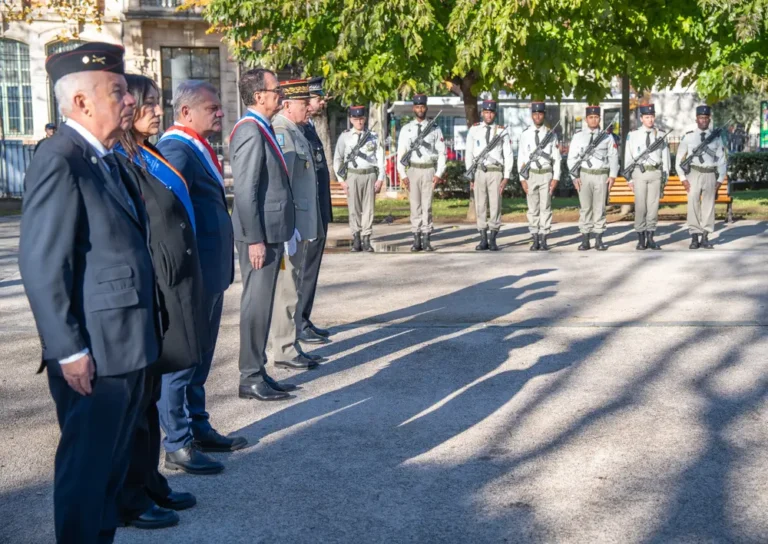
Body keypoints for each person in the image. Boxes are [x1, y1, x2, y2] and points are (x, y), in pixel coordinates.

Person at [19, 42, 157, 544]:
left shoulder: (104, 158)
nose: (129, 100)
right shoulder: (60, 158)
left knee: (110, 476)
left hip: (126, 344)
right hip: (94, 354)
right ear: (81, 102)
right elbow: (42, 263)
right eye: (117, 91)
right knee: (86, 475)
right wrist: (68, 350)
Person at [112, 74, 207, 529]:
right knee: (136, 405)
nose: (155, 111)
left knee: (148, 398)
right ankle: (131, 495)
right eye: (147, 103)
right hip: (148, 292)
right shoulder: (120, 160)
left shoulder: (146, 153)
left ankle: (150, 482)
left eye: (157, 102)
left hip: (167, 287)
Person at [156, 81, 246, 474]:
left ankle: (198, 426)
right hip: (193, 273)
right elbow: (166, 215)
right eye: (212, 108)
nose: (220, 112)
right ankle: (177, 442)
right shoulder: (177, 148)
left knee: (201, 356)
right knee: (183, 360)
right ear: (186, 112)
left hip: (210, 270)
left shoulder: (197, 145)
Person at [230, 68, 297, 401]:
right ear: (259, 96)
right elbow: (245, 191)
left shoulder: (262, 127)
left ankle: (259, 370)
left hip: (270, 232)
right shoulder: (249, 130)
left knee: (264, 303)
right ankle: (250, 376)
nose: (280, 94)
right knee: (256, 305)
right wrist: (255, 238)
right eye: (276, 90)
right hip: (260, 236)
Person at [269, 79, 326, 370]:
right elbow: (284, 185)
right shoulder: (283, 132)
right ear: (288, 105)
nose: (308, 108)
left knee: (293, 286)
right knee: (287, 289)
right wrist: (287, 226)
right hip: (293, 226)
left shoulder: (296, 131)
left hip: (302, 224)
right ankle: (284, 349)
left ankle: (291, 344)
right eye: (303, 104)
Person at [297, 76, 333, 344]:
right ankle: (298, 322)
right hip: (308, 212)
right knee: (304, 269)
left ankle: (304, 318)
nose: (321, 102)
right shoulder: (296, 130)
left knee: (311, 269)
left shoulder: (308, 127)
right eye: (317, 98)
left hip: (319, 208)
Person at [396, 93, 447, 252]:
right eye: (417, 107)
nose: (420, 109)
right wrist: (403, 174)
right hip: (413, 169)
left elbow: (442, 153)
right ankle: (416, 238)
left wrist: (438, 173)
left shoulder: (434, 128)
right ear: (414, 108)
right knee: (415, 205)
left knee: (427, 205)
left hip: (428, 170)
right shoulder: (407, 129)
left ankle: (426, 238)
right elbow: (401, 154)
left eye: (422, 106)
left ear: (426, 108)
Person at [333, 105, 386, 252]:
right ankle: (356, 238)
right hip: (352, 175)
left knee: (369, 208)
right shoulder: (345, 137)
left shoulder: (373, 136)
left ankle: (366, 238)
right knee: (354, 208)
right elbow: (337, 159)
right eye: (356, 119)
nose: (359, 122)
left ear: (365, 119)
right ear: (351, 120)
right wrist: (341, 180)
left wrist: (380, 178)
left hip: (370, 174)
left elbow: (380, 158)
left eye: (361, 119)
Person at [567, 105, 619, 251]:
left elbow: (613, 156)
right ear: (586, 119)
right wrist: (574, 176)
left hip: (601, 175)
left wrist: (612, 176)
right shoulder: (578, 136)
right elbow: (571, 158)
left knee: (599, 208)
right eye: (591, 117)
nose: (593, 120)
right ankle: (585, 240)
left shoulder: (607, 137)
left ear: (599, 119)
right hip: (584, 175)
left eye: (596, 117)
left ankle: (599, 239)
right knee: (585, 208)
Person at [675, 104, 727, 249]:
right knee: (693, 204)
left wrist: (720, 179)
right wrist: (683, 179)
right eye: (701, 118)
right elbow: (679, 160)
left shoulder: (716, 138)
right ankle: (694, 236)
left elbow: (722, 160)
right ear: (696, 119)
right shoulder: (689, 137)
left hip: (710, 173)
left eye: (706, 118)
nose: (703, 120)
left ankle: (705, 237)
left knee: (708, 206)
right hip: (694, 173)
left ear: (709, 119)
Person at [465, 99, 513, 251]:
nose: (489, 115)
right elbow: (468, 153)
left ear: (495, 114)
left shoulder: (502, 131)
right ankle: (483, 239)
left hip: (495, 171)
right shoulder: (474, 130)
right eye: (486, 112)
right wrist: (470, 175)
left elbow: (508, 154)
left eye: (491, 112)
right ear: (482, 113)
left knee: (495, 205)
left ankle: (493, 238)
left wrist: (506, 176)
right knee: (480, 205)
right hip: (479, 171)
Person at [624, 103, 670, 251]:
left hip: (655, 173)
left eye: (651, 117)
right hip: (639, 173)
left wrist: (665, 176)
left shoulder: (661, 134)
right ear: (641, 118)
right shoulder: (633, 134)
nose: (650, 120)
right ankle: (640, 238)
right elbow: (628, 157)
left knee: (653, 206)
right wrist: (629, 179)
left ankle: (650, 237)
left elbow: (665, 157)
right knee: (640, 206)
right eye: (647, 117)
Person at [517, 101, 560, 251]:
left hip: (546, 174)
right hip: (531, 174)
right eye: (535, 114)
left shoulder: (550, 134)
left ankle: (544, 238)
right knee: (532, 208)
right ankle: (535, 238)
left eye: (540, 114)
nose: (537, 116)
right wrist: (522, 179)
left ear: (543, 115)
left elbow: (556, 158)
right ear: (531, 115)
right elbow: (521, 158)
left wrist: (556, 177)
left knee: (545, 207)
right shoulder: (525, 134)